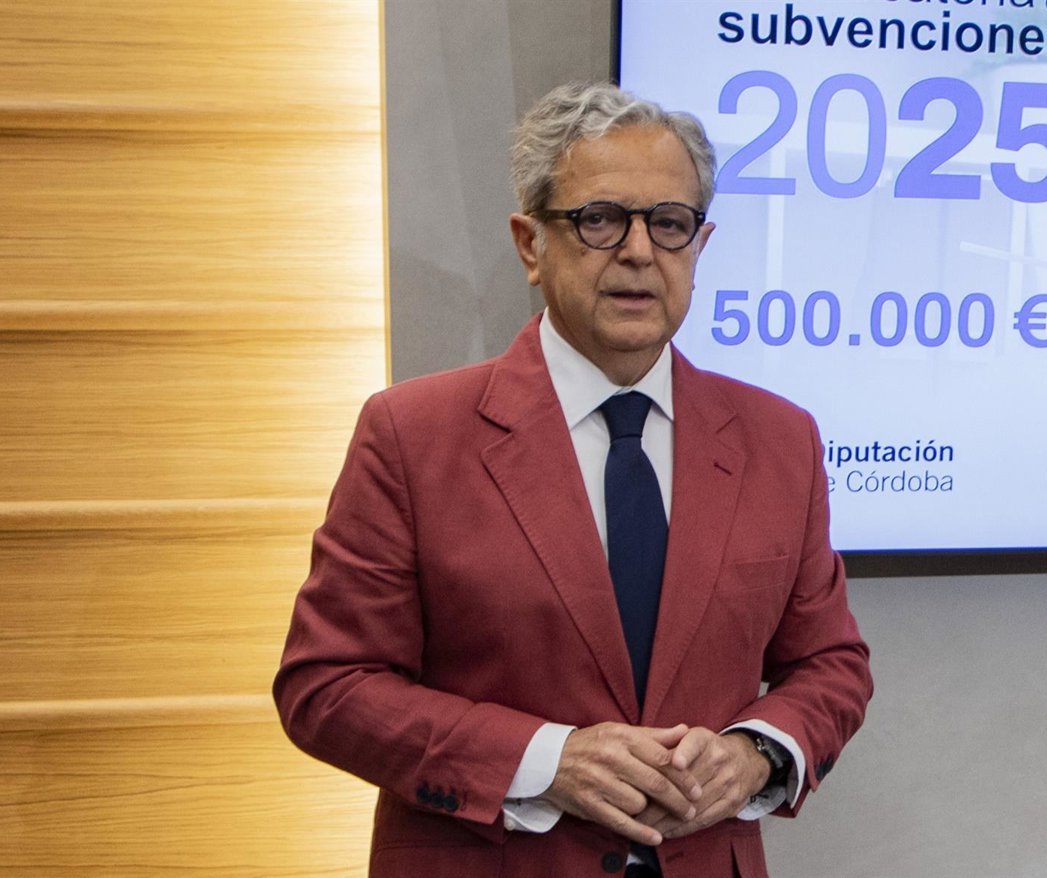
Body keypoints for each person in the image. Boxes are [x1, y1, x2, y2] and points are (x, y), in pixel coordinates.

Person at [274, 82, 872, 878]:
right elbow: (327, 686)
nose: (639, 252)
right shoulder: (412, 435)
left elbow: (831, 665)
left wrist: (754, 754)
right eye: (600, 219)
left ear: (700, 245)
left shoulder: (779, 440)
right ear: (531, 245)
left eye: (669, 223)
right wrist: (545, 760)